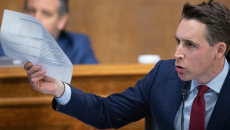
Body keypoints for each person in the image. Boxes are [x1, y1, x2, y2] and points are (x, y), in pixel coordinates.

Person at [24, 0, 230, 130]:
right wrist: (59, 89)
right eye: (178, 42)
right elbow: (107, 113)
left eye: (190, 45)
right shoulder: (163, 74)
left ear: (219, 50)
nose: (177, 54)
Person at [0, 0, 98, 64]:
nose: (36, 19)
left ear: (61, 21)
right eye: (31, 10)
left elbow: (93, 86)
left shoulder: (78, 46)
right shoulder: (2, 45)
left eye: (46, 14)